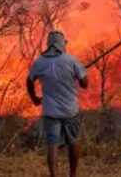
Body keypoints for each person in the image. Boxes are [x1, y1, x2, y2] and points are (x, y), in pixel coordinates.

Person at [27, 30, 88, 177]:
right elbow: (85, 84)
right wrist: (79, 75)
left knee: (52, 145)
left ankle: (54, 175)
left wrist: (34, 98)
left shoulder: (39, 62)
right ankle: (72, 174)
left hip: (50, 111)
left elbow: (29, 81)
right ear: (62, 44)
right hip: (70, 111)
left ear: (49, 45)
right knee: (73, 142)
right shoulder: (71, 61)